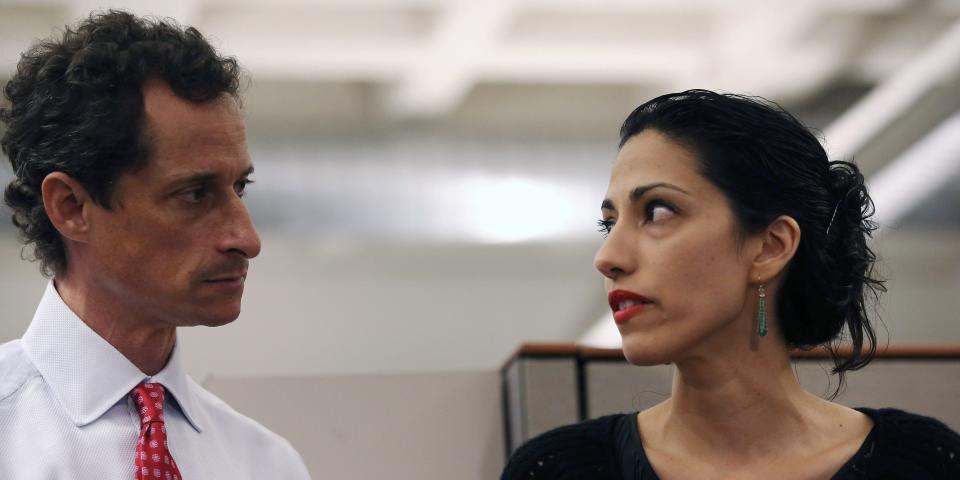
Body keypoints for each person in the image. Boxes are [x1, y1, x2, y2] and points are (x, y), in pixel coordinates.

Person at [501, 90, 960, 479]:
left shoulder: (923, 464)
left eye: (658, 212)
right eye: (610, 224)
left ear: (770, 247)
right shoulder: (561, 469)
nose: (608, 258)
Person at [0, 11, 310, 479]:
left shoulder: (265, 463)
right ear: (70, 206)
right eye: (194, 194)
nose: (246, 239)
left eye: (239, 188)